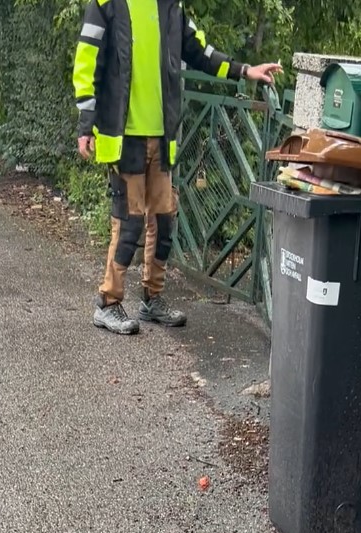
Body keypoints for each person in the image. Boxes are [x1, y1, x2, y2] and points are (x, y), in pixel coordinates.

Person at [72, 0, 282, 335]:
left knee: (165, 220)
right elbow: (87, 61)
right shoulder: (106, 4)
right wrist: (86, 124)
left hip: (161, 136)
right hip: (123, 135)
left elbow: (200, 51)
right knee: (129, 223)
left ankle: (152, 300)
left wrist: (244, 70)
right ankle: (108, 303)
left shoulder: (170, 6)